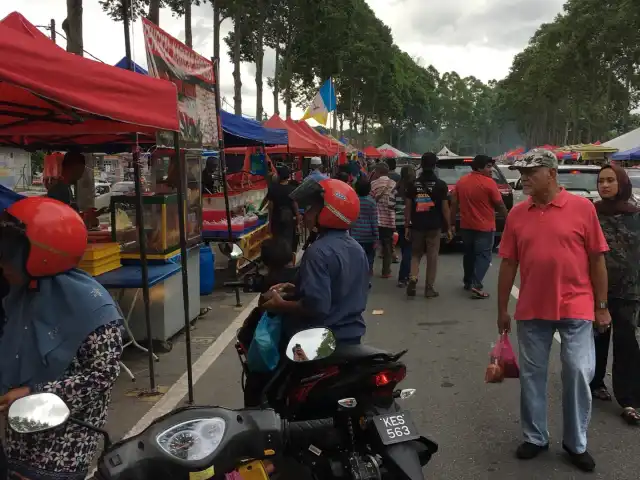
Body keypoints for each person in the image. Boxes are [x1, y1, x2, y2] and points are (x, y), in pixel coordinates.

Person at [496, 149, 610, 472]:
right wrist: (502, 308)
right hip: (532, 308)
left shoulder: (582, 209)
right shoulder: (518, 214)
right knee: (532, 376)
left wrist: (602, 307)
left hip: (577, 305)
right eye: (523, 172)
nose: (525, 178)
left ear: (552, 173)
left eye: (531, 172)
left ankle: (576, 443)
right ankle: (535, 437)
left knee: (576, 370)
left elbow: (597, 259)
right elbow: (508, 263)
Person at [0, 197, 124, 480]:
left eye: (9, 255)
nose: (2, 264)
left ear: (41, 254)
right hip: (21, 427)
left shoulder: (95, 310)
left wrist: (34, 392)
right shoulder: (23, 295)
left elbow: (101, 377)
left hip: (65, 436)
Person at [262, 178, 369, 345]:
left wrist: (281, 304)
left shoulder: (317, 252)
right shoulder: (357, 248)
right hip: (353, 336)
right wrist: (297, 287)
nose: (306, 213)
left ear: (329, 212)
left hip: (321, 340)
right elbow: (344, 290)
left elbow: (316, 307)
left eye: (312, 208)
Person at [589, 164, 640, 424]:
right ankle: (595, 382)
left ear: (621, 183)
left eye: (610, 180)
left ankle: (629, 399)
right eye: (601, 181)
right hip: (597, 290)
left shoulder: (636, 214)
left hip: (629, 291)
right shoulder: (590, 213)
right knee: (597, 338)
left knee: (627, 343)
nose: (605, 185)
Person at [242, 237, 297, 407]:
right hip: (299, 340)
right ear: (293, 258)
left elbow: (260, 313)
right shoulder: (303, 276)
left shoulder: (269, 283)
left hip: (276, 347)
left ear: (265, 264)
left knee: (254, 381)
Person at [451, 154, 508, 299]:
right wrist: (509, 219)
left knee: (469, 254)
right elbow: (500, 204)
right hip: (484, 227)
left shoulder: (461, 182)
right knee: (483, 256)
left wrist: (452, 223)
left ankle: (468, 281)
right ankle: (477, 285)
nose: (491, 170)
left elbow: (454, 205)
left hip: (466, 226)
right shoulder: (489, 183)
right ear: (479, 167)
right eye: (488, 167)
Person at [404, 152, 451, 298]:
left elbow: (408, 207)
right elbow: (445, 208)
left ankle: (413, 277)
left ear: (421, 166)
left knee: (416, 254)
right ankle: (429, 288)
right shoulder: (441, 185)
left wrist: (406, 226)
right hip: (434, 226)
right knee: (432, 256)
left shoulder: (412, 184)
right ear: (435, 165)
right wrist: (448, 227)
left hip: (417, 225)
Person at [265, 165, 301, 252]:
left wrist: (269, 223)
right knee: (288, 240)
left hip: (276, 219)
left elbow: (270, 207)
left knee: (277, 240)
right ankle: (288, 258)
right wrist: (298, 221)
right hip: (289, 220)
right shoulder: (292, 189)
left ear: (278, 176)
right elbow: (295, 205)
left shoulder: (273, 189)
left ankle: (279, 258)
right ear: (288, 176)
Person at [370, 163, 397, 278]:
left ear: (378, 172)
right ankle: (386, 271)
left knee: (372, 246)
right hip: (389, 220)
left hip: (375, 220)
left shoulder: (373, 184)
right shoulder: (394, 184)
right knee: (387, 247)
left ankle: (369, 269)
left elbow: (370, 202)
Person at [350, 177, 379, 274]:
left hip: (355, 235)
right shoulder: (372, 202)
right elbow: (374, 220)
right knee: (369, 257)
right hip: (369, 236)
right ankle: (368, 273)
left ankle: (357, 274)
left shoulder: (353, 201)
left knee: (356, 257)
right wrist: (376, 236)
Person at [395, 166, 415, 287]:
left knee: (404, 249)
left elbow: (391, 205)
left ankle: (405, 275)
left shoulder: (396, 188)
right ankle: (404, 276)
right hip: (412, 222)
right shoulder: (414, 189)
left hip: (399, 222)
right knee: (409, 251)